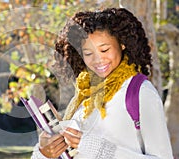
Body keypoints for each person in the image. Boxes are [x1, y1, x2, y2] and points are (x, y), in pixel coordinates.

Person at [31, 8, 173, 159]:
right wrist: (43, 153)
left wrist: (96, 148)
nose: (98, 60)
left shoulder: (140, 93)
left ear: (122, 44)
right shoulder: (84, 96)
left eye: (104, 50)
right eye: (88, 53)